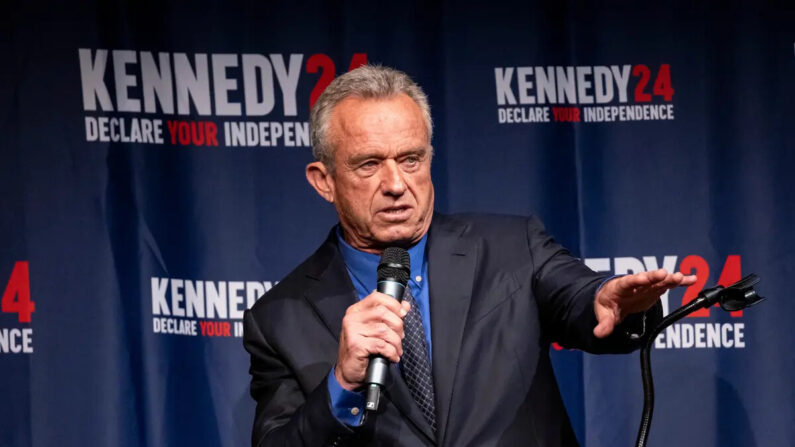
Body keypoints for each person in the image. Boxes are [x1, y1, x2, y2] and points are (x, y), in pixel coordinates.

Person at [243, 65, 696, 446]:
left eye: (411, 159)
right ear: (324, 181)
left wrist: (609, 302)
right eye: (369, 164)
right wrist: (341, 385)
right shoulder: (279, 320)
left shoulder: (511, 245)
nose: (397, 184)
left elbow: (580, 297)